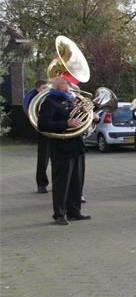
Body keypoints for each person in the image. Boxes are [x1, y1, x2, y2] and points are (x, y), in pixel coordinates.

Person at [37, 76, 91, 225]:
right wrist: (66, 124)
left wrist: (92, 118)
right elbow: (43, 125)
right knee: (62, 184)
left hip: (77, 146)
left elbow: (78, 119)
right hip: (61, 148)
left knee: (76, 182)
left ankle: (74, 212)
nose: (71, 87)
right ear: (60, 86)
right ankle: (59, 214)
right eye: (68, 84)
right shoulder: (49, 102)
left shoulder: (69, 100)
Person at [24, 79, 51, 193]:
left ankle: (59, 183)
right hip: (43, 132)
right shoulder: (34, 100)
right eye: (44, 88)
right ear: (38, 89)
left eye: (47, 88)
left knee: (58, 159)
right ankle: (41, 185)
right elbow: (31, 114)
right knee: (43, 159)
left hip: (57, 129)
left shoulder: (51, 97)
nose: (46, 90)